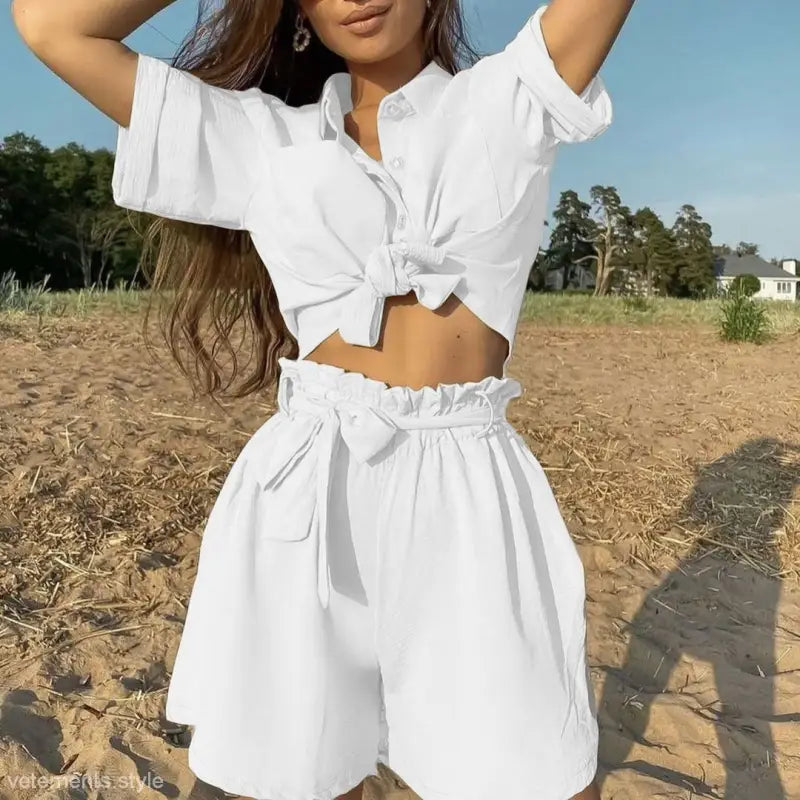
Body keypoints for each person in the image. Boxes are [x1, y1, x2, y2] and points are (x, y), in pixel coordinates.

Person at [12, 0, 635, 797]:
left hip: (468, 494)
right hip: (309, 488)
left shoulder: (508, 100)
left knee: (532, 774)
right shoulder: (263, 143)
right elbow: (50, 26)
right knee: (293, 775)